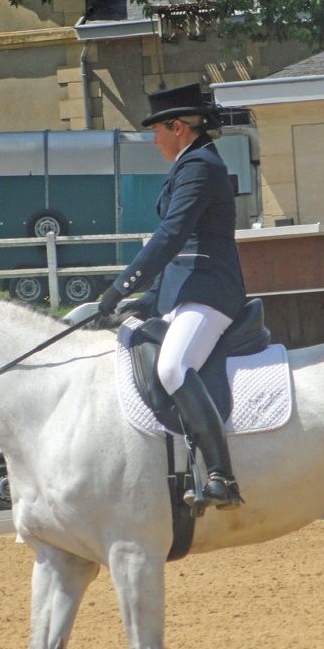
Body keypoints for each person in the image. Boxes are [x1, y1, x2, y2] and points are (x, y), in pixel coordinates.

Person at [98, 82, 246, 510]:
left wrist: (121, 286)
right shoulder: (189, 164)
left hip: (210, 290)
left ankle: (222, 476)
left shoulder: (200, 166)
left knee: (173, 367)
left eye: (156, 131)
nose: (153, 139)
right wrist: (144, 301)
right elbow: (178, 251)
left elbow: (172, 236)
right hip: (186, 288)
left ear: (178, 127)